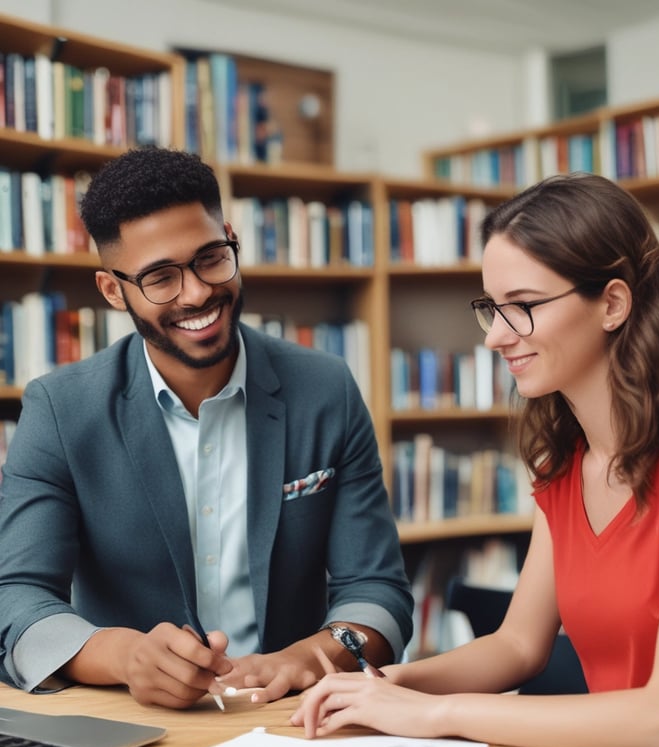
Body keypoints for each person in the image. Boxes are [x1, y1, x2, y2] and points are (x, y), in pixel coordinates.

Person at [292, 173, 659, 747]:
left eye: (523, 305)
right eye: (491, 306)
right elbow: (518, 645)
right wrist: (385, 684)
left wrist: (436, 713)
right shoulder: (563, 463)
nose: (495, 336)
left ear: (613, 303)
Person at [0, 146, 413, 710]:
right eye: (159, 278)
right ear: (112, 290)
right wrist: (123, 656)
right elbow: (15, 596)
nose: (196, 293)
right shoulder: (60, 408)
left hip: (293, 716)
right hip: (134, 721)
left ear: (232, 239)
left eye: (211, 258)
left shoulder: (326, 388)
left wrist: (308, 656)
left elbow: (377, 590)